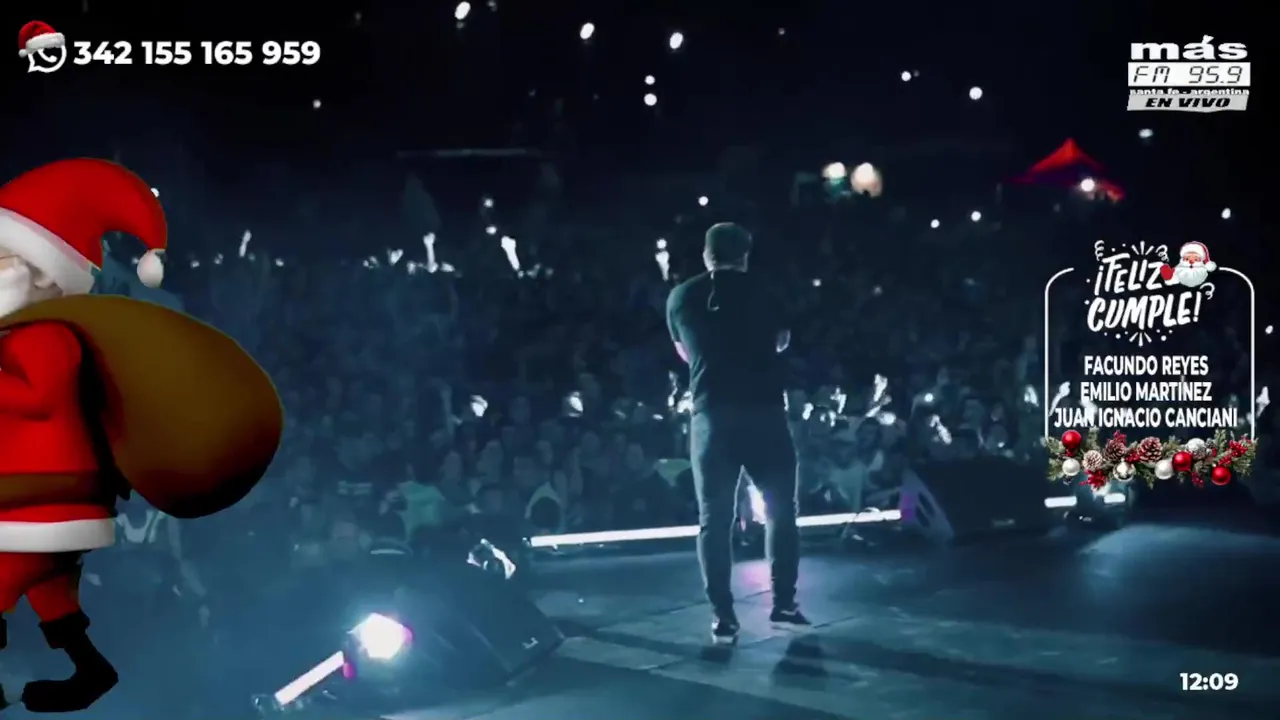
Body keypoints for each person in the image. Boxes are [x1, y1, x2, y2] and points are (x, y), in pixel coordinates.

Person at [665, 222, 808, 644]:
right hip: (764, 413)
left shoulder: (681, 296)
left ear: (706, 254)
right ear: (745, 255)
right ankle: (784, 603)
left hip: (712, 416)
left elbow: (684, 352)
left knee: (714, 519)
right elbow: (781, 342)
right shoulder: (767, 290)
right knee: (781, 511)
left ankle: (723, 616)